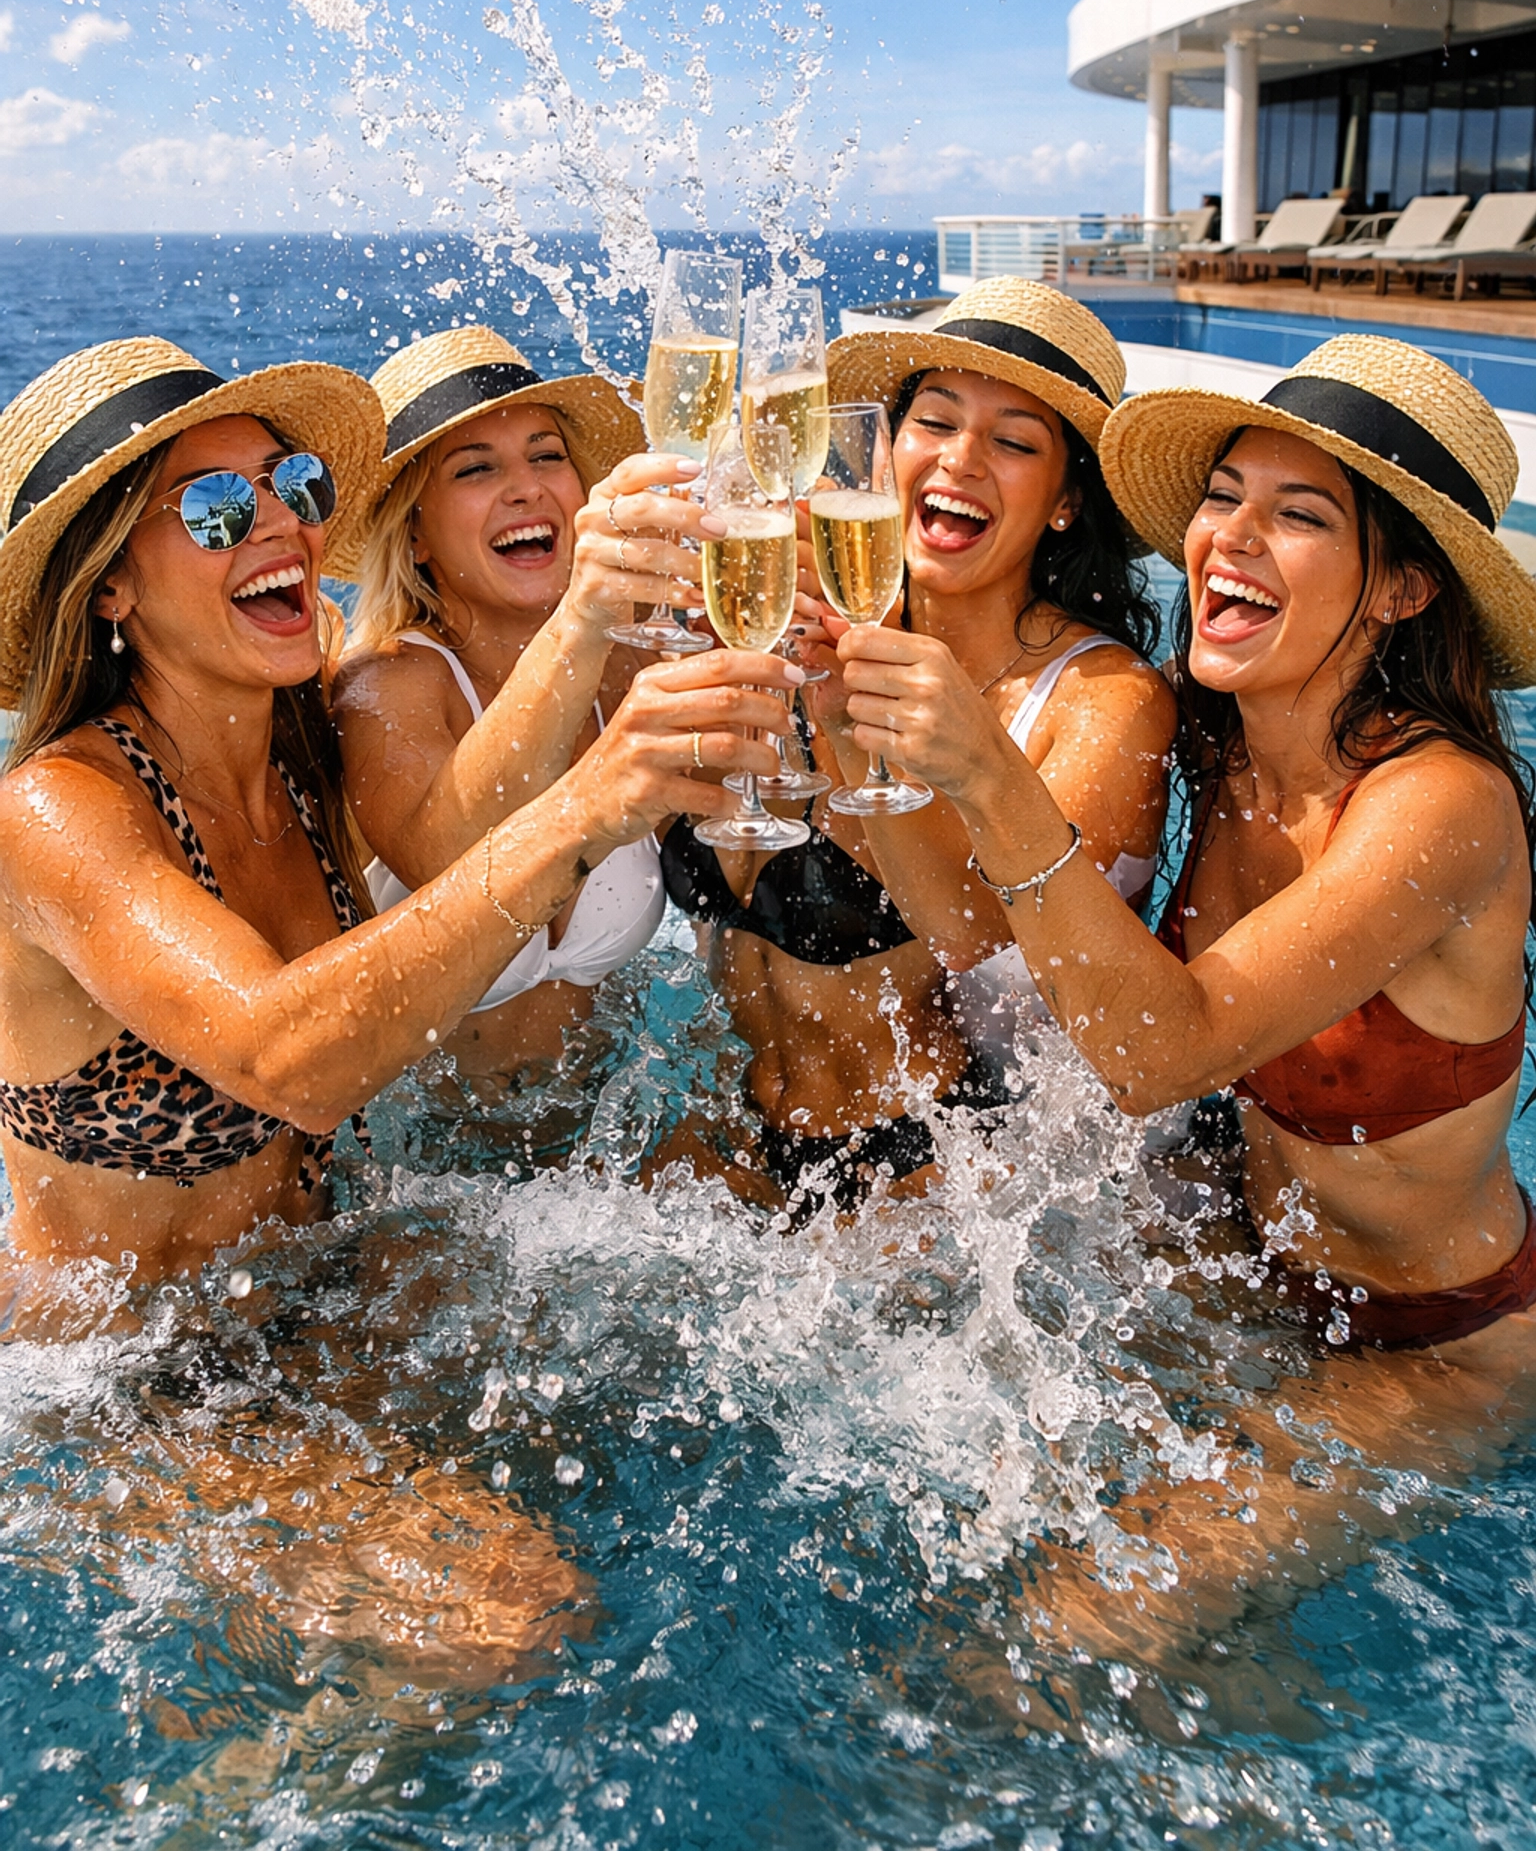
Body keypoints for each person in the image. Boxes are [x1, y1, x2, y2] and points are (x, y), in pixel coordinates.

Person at [0, 336, 803, 1289]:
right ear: (108, 585)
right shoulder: (54, 810)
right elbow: (286, 1059)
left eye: (291, 484)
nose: (277, 525)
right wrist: (588, 805)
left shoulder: (302, 763)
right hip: (137, 1373)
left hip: (334, 1284)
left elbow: (463, 823)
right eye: (214, 510)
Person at [836, 333, 1536, 1352]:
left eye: (1299, 515)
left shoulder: (1440, 805)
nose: (1234, 536)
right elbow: (1010, 945)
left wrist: (989, 773)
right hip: (1228, 1244)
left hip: (1429, 1336)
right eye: (1224, 496)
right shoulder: (1221, 751)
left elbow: (1160, 1054)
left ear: (1403, 591)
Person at [661, 281, 1174, 1216]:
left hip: (948, 1173)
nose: (962, 458)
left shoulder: (1106, 701)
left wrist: (838, 707)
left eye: (1014, 442)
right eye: (933, 422)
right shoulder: (789, 608)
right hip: (738, 1128)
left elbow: (981, 942)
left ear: (1065, 503)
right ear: (885, 453)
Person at [332, 326, 709, 1117]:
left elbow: (735, 844)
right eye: (477, 469)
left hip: (603, 1153)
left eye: (547, 457)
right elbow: (452, 859)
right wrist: (585, 615)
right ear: (416, 535)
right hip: (427, 1172)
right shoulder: (387, 686)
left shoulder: (633, 664)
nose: (528, 488)